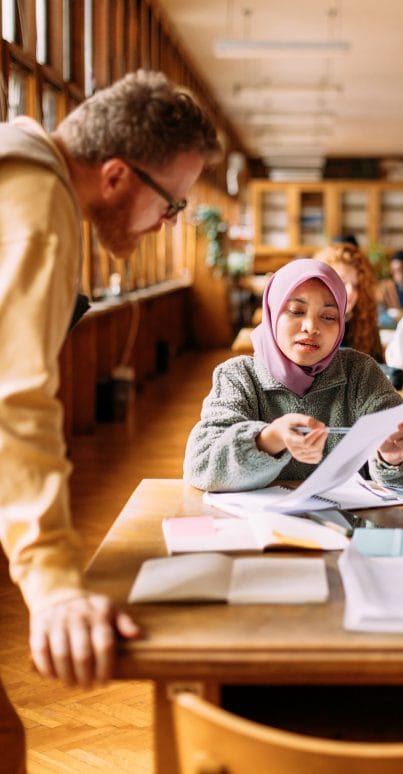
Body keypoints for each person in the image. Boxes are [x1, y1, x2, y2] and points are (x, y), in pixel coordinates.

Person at [0, 70, 220, 769]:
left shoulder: (21, 164)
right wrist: (54, 583)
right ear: (118, 175)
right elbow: (14, 399)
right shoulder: (36, 205)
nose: (170, 223)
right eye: (172, 204)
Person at [183, 259, 403, 493]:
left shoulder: (359, 372)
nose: (311, 327)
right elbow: (201, 463)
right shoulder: (238, 376)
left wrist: (397, 458)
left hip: (345, 532)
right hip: (257, 533)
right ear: (272, 313)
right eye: (296, 311)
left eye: (329, 316)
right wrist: (269, 439)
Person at [314, 242, 384, 362]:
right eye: (342, 282)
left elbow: (379, 367)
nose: (351, 291)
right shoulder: (310, 324)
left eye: (356, 285)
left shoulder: (365, 323)